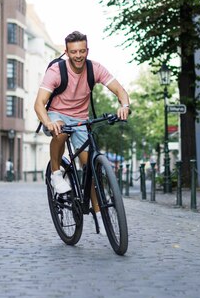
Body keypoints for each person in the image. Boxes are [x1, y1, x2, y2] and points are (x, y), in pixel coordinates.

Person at [34, 31, 130, 232]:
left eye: (82, 51)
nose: (78, 55)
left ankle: (98, 213)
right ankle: (56, 174)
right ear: (66, 52)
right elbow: (39, 104)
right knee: (60, 132)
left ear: (87, 50)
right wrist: (48, 123)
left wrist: (124, 105)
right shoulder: (56, 71)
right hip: (56, 114)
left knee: (91, 168)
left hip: (80, 119)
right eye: (73, 52)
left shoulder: (94, 68)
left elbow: (120, 90)